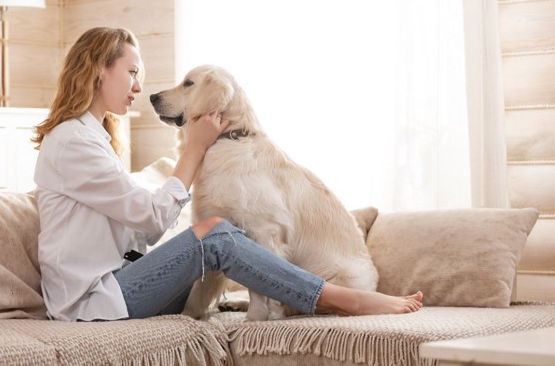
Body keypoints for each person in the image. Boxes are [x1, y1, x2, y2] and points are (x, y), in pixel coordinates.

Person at [32, 27, 423, 322]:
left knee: (224, 234)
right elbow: (152, 218)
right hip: (93, 302)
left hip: (122, 285)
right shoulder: (72, 142)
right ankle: (342, 298)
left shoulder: (94, 138)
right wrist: (195, 148)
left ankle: (304, 296)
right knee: (217, 234)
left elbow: (146, 232)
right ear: (98, 69)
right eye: (131, 72)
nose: (139, 86)